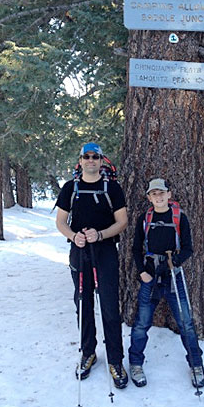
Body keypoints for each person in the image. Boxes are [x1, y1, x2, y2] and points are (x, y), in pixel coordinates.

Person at [55, 142, 128, 389]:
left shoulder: (112, 188)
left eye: (95, 156)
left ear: (101, 161)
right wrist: (74, 236)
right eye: (86, 156)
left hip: (105, 251)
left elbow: (122, 221)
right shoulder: (70, 188)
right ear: (81, 160)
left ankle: (116, 360)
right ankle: (88, 353)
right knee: (83, 303)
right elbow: (61, 222)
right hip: (79, 252)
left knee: (109, 305)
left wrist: (101, 234)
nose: (91, 160)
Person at [128, 178, 204, 389]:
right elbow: (135, 249)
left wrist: (176, 262)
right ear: (149, 197)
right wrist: (142, 271)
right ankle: (135, 363)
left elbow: (189, 248)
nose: (158, 197)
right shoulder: (144, 218)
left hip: (173, 275)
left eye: (162, 192)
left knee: (186, 323)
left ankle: (196, 364)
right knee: (142, 322)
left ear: (169, 194)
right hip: (150, 275)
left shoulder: (180, 217)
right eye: (154, 194)